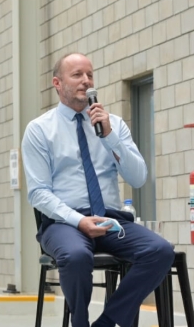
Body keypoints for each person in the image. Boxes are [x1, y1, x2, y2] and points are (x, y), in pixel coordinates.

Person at [22, 52, 174, 327]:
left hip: (111, 219)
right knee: (77, 256)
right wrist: (79, 220)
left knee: (160, 251)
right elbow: (38, 193)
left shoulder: (113, 124)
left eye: (90, 75)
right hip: (64, 222)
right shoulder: (39, 130)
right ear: (57, 83)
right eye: (77, 75)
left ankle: (105, 322)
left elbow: (138, 178)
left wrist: (110, 138)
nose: (86, 81)